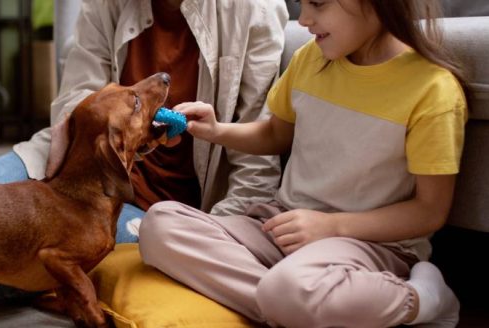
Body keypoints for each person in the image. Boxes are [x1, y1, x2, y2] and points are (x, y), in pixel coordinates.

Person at [139, 0, 467, 327]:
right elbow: (273, 134)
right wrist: (216, 130)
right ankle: (291, 301)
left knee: (288, 289)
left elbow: (429, 211)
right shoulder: (311, 58)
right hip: (283, 226)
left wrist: (331, 227)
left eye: (318, 4)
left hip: (369, 245)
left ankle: (421, 299)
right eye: (302, 5)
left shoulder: (433, 91)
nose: (305, 20)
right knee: (159, 224)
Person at [0, 0, 288, 303]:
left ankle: (71, 280)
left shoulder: (254, 11)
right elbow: (77, 96)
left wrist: (207, 239)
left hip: (162, 212)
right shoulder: (104, 5)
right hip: (80, 167)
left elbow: (256, 160)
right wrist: (123, 139)